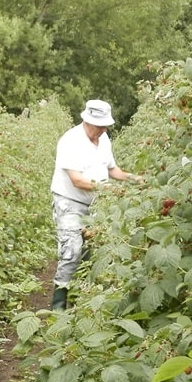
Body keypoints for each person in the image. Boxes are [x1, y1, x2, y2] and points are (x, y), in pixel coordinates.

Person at [49, 99, 141, 310]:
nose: (103, 129)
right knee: (71, 250)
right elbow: (77, 180)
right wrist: (107, 189)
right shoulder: (70, 141)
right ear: (87, 120)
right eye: (100, 126)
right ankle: (59, 306)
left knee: (92, 253)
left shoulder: (104, 140)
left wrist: (133, 178)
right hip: (69, 202)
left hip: (95, 205)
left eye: (105, 126)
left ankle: (81, 301)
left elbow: (112, 170)